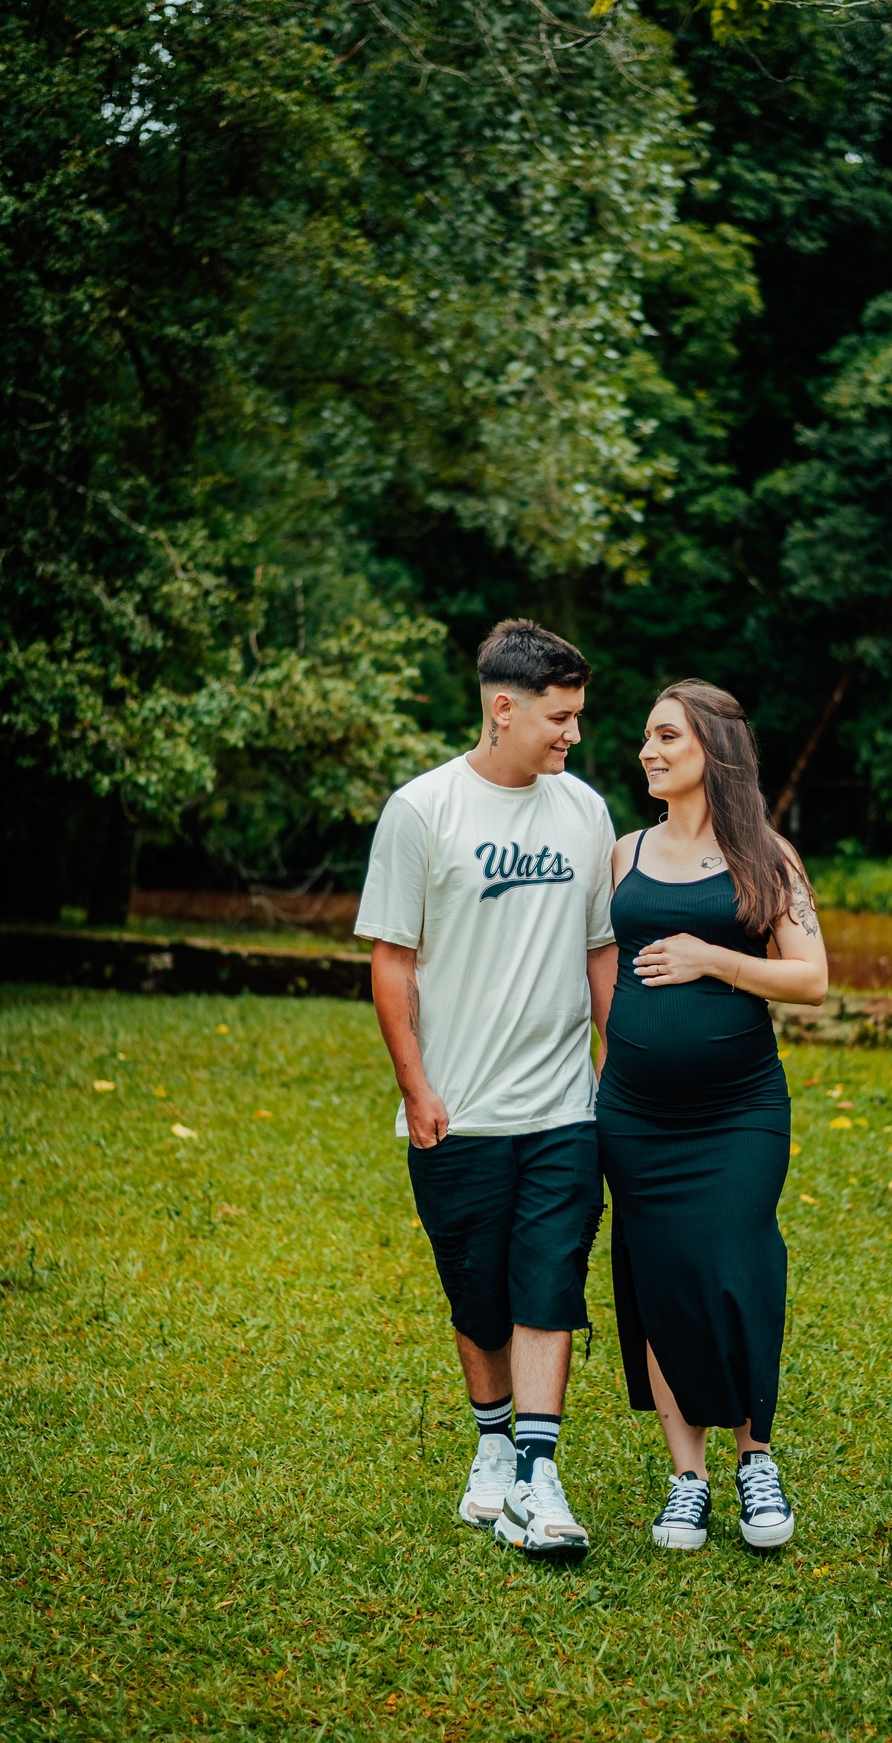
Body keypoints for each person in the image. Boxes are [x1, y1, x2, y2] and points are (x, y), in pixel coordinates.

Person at [355, 619, 617, 1557]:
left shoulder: (584, 811)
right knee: (477, 1293)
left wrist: (617, 1069)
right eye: (560, 717)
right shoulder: (422, 810)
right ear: (503, 708)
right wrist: (417, 1087)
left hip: (563, 1105)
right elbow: (393, 962)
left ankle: (539, 1476)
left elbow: (599, 950)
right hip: (457, 1110)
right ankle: (495, 1448)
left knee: (550, 1278)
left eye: (578, 716)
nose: (573, 734)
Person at [597, 679, 828, 1552]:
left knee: (737, 1264)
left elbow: (811, 978)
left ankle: (754, 1459)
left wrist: (712, 958)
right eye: (647, 737)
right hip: (635, 1115)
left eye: (667, 736)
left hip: (739, 1111)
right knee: (659, 1280)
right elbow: (603, 965)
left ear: (713, 748)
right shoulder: (624, 853)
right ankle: (686, 1478)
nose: (648, 751)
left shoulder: (769, 855)